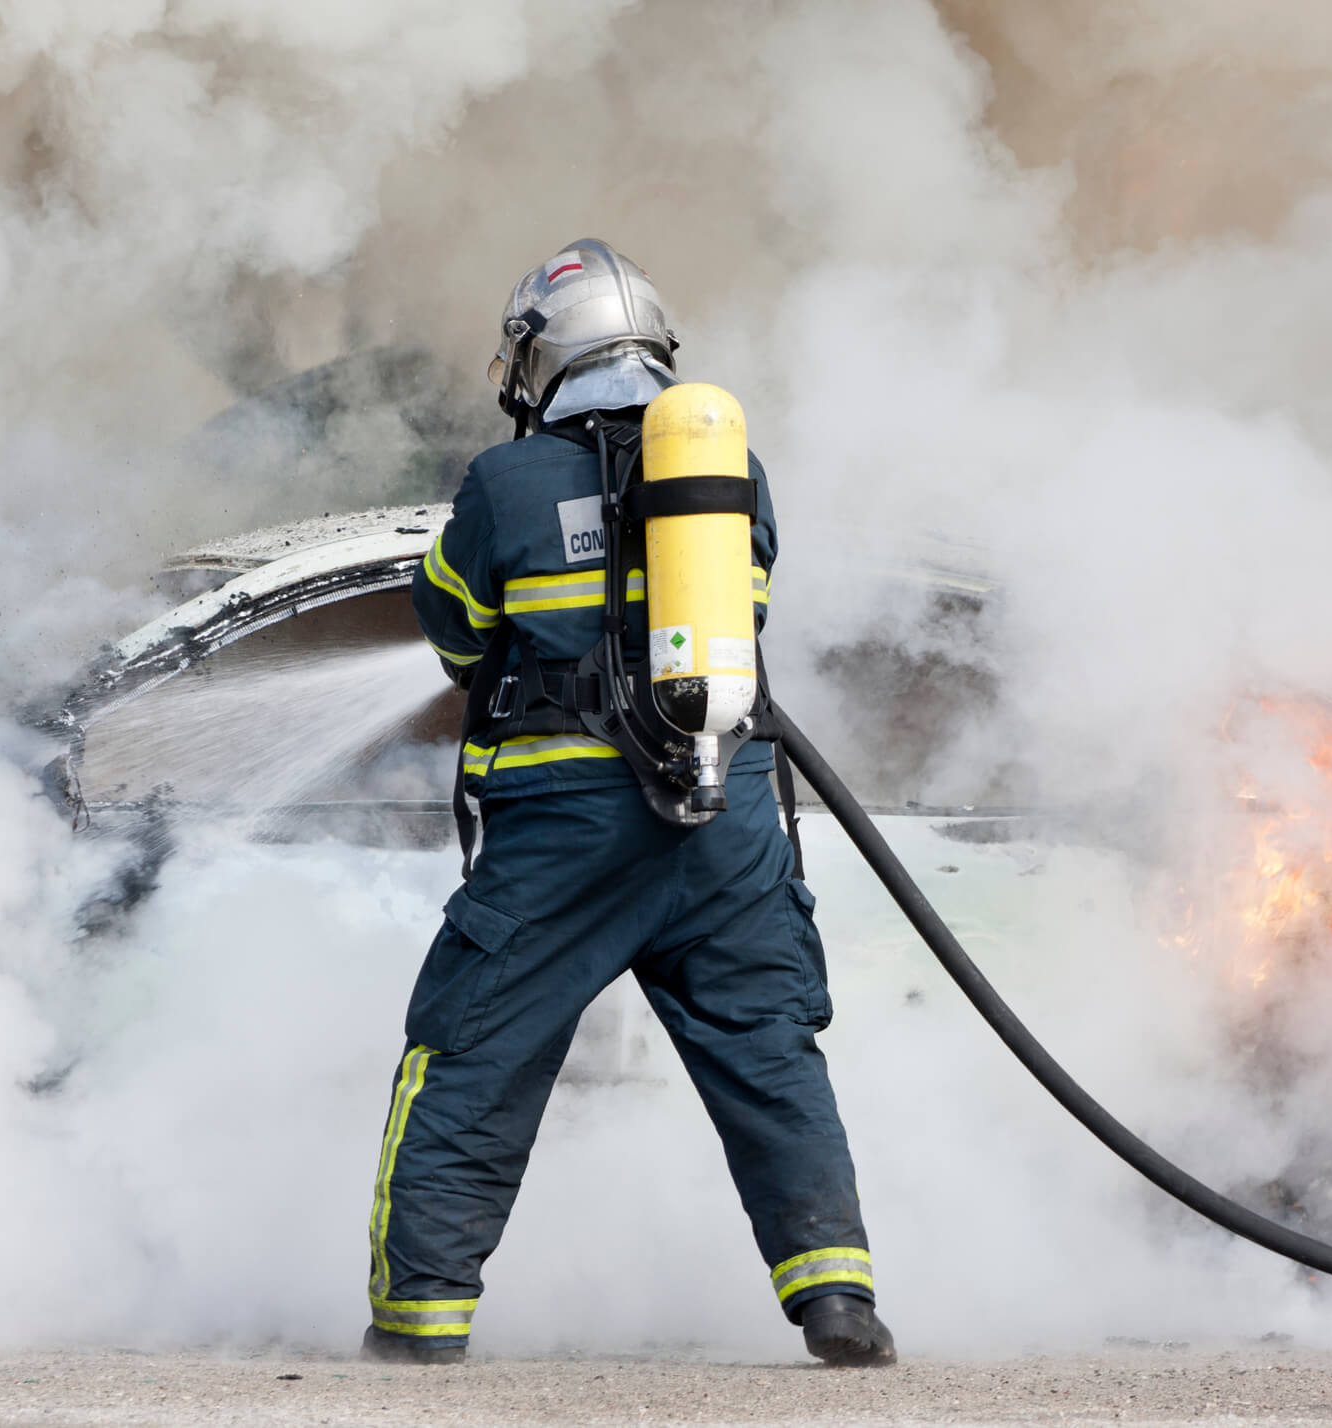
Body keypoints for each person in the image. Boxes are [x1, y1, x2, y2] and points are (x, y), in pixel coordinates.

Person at [362, 239, 894, 1368]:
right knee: (769, 1052)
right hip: (724, 820)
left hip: (566, 835)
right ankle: (838, 1300)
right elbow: (745, 613)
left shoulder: (505, 484)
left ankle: (419, 1319)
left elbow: (453, 629)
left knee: (468, 1055)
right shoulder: (734, 474)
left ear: (544, 355)